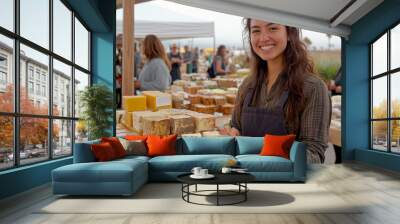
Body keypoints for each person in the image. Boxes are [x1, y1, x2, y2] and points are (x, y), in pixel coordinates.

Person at [228, 19, 331, 163]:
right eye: (256, 30)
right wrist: (233, 136)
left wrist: (265, 160)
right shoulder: (247, 85)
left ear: (289, 33)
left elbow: (313, 155)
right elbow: (235, 127)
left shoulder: (313, 87)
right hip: (246, 179)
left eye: (272, 28)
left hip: (286, 183)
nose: (263, 38)